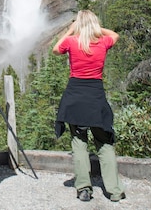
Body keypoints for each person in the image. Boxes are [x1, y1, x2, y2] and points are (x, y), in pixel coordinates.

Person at [52, 10, 126, 203]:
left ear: (78, 25)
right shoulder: (103, 42)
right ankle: (115, 191)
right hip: (95, 97)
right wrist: (95, 28)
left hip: (75, 97)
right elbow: (115, 35)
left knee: (79, 144)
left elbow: (55, 49)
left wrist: (71, 30)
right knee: (104, 143)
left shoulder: (72, 41)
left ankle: (84, 189)